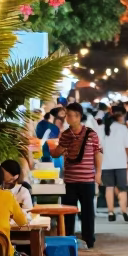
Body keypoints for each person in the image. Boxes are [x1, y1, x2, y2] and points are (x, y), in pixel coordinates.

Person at [46, 101, 103, 248]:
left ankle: (89, 240)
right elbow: (58, 152)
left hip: (87, 180)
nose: (68, 119)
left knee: (88, 213)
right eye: (67, 116)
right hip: (70, 180)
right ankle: (69, 240)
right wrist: (53, 150)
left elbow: (98, 153)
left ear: (78, 117)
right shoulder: (65, 135)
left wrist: (98, 173)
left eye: (71, 116)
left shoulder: (91, 134)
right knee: (69, 213)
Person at [99, 103, 128, 222]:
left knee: (109, 188)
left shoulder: (101, 128)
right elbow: (127, 147)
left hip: (106, 163)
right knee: (122, 189)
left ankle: (111, 213)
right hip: (120, 163)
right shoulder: (123, 128)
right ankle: (124, 212)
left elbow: (99, 148)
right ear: (120, 117)